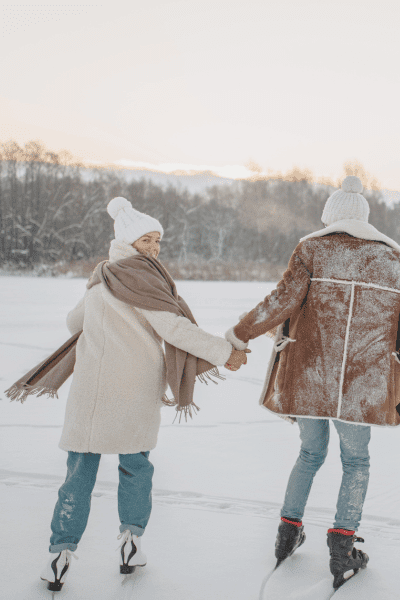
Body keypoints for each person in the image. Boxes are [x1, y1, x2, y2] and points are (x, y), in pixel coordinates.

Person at [35, 197, 249, 592]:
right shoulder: (143, 278)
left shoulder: (104, 275)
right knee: (135, 468)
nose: (154, 248)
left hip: (90, 393)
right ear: (129, 241)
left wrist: (96, 302)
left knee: (79, 473)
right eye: (147, 240)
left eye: (157, 241)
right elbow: (175, 329)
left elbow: (72, 323)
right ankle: (131, 544)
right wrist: (224, 353)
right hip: (132, 391)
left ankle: (59, 557)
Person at [224, 176, 400, 589]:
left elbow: (281, 301)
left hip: (309, 376)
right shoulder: (393, 260)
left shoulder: (312, 249)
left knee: (310, 453)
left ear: (330, 215)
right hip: (362, 383)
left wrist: (240, 334)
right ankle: (342, 547)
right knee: (356, 461)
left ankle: (287, 533)